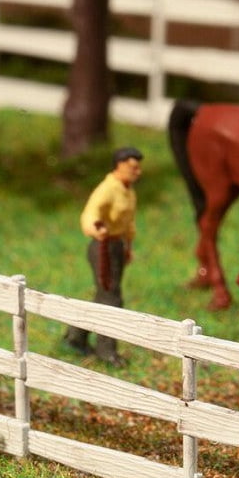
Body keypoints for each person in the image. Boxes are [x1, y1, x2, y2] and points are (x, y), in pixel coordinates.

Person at [64, 146, 143, 366]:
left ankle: (75, 336)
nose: (138, 172)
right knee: (111, 298)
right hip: (102, 247)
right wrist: (94, 229)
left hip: (117, 246)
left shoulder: (128, 191)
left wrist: (127, 247)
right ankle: (106, 351)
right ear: (119, 166)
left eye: (138, 168)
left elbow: (128, 222)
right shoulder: (107, 189)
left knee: (103, 295)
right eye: (133, 168)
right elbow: (90, 213)